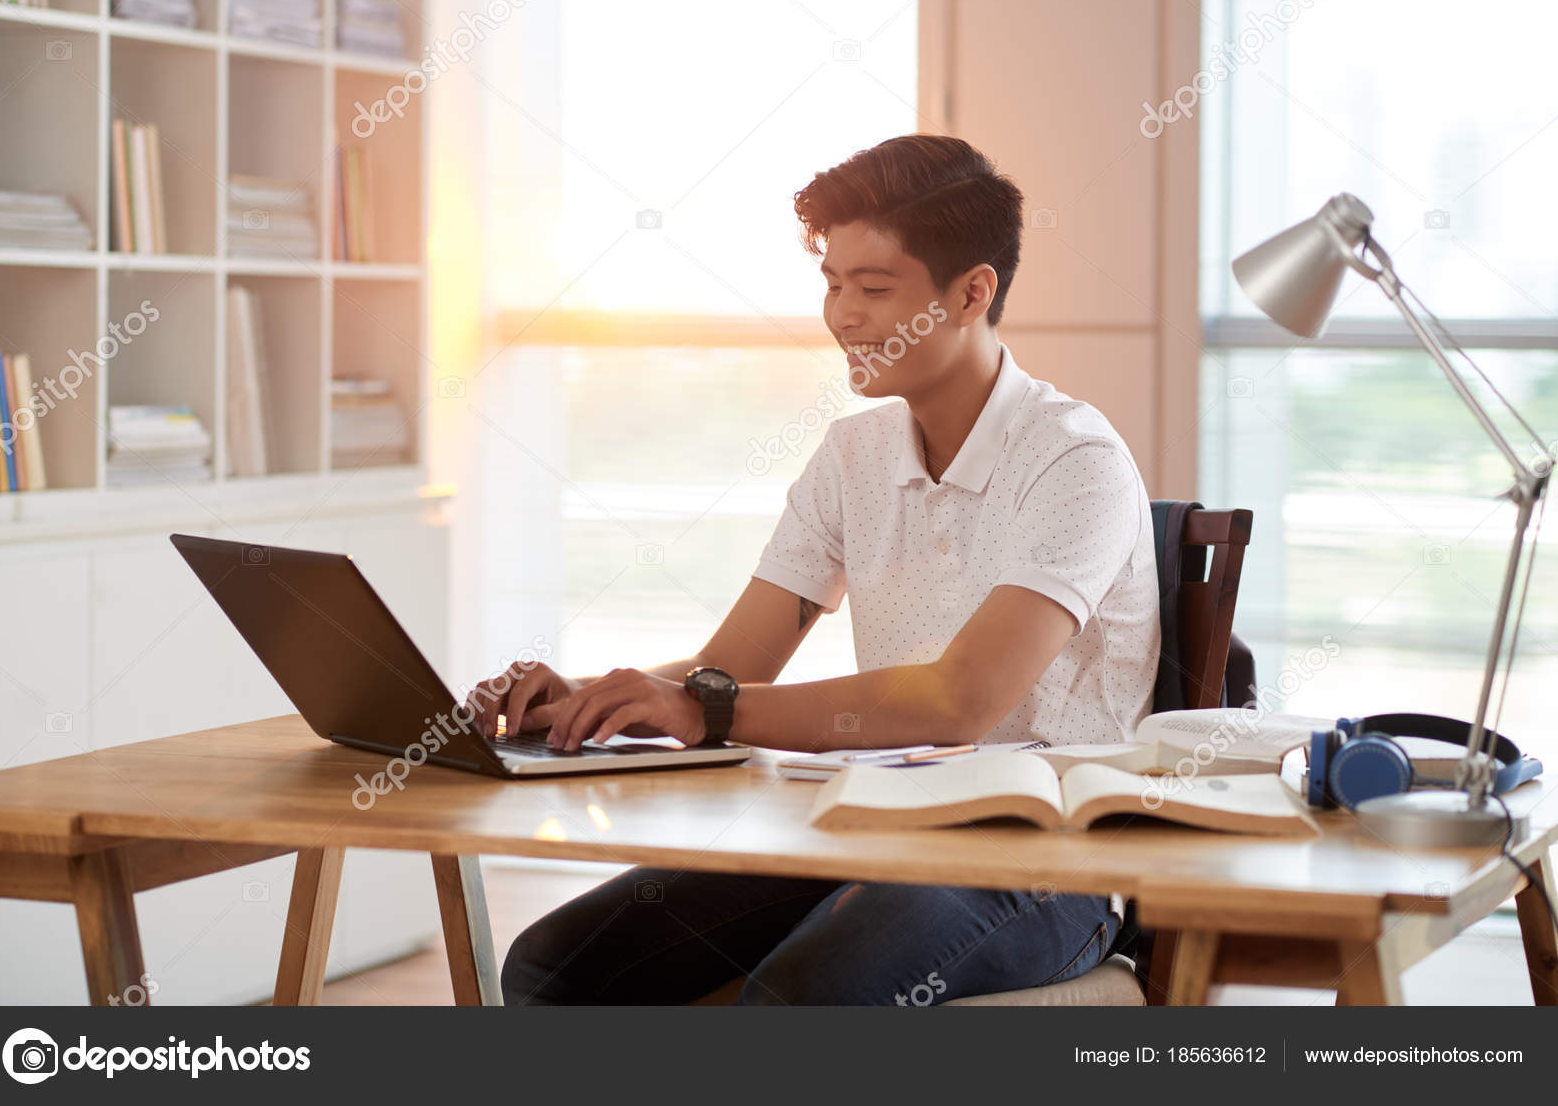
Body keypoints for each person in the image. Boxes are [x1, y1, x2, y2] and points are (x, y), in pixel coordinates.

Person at [467, 133, 1161, 1005]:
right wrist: (594, 698)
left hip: (1042, 856)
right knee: (553, 967)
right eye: (833, 286)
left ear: (972, 293)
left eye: (873, 289)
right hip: (869, 824)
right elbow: (734, 671)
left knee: (800, 1000)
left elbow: (959, 703)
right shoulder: (852, 455)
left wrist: (703, 708)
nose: (842, 315)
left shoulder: (1075, 459)